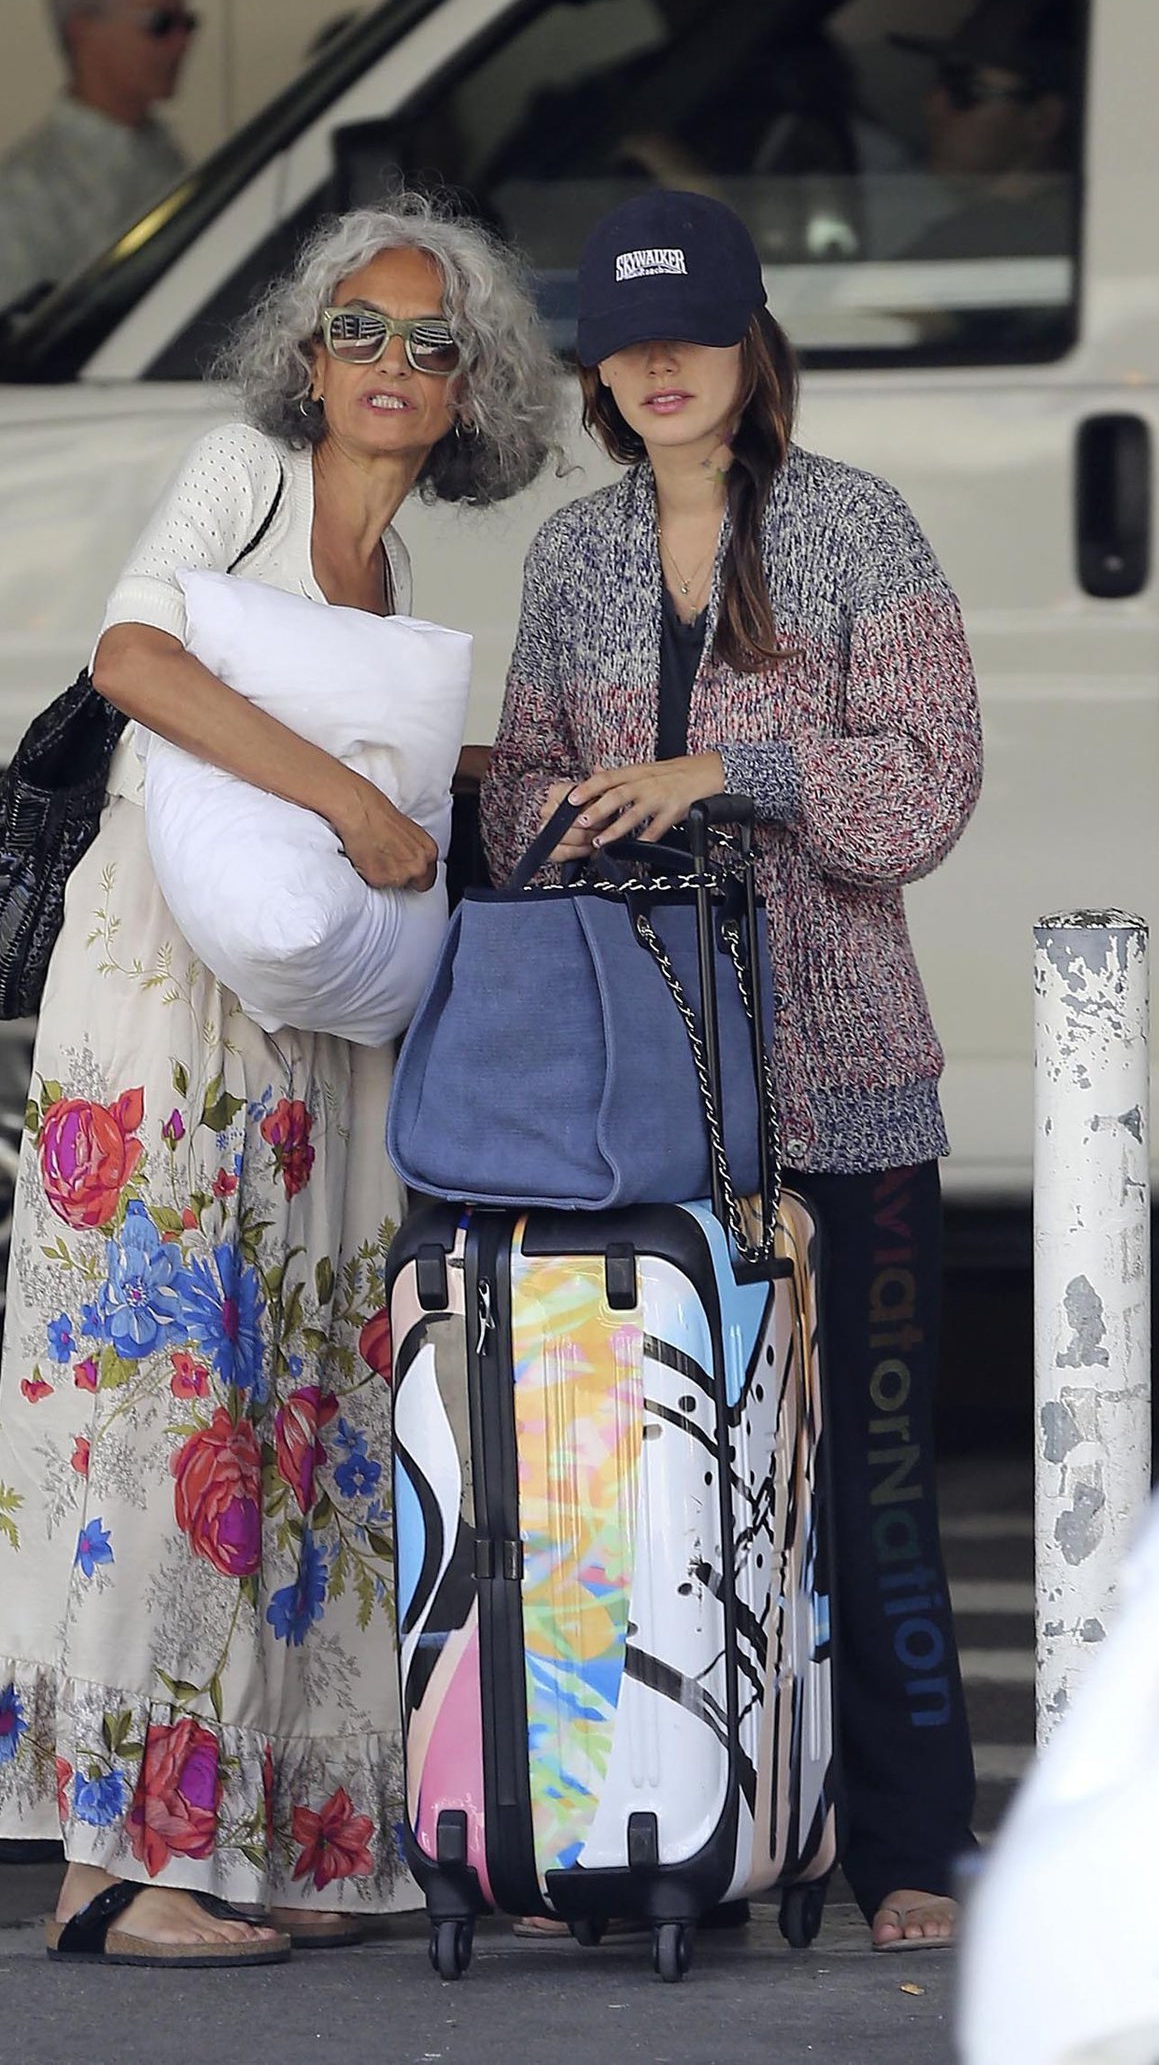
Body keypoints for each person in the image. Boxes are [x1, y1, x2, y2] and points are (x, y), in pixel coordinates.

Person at [0, 196, 562, 1966]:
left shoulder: (394, 573)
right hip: (165, 987)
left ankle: (275, 1833)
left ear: (468, 392)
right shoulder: (242, 476)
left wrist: (478, 776)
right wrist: (356, 800)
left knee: (297, 1404)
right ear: (306, 356)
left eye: (428, 343)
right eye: (356, 328)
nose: (388, 362)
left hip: (308, 1014)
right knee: (162, 1395)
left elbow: (353, 763)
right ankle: (110, 1860)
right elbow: (133, 661)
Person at [481, 189, 982, 1952]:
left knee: (870, 1480)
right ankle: (647, 1841)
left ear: (750, 343)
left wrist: (725, 771)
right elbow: (513, 793)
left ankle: (908, 1846)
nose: (658, 367)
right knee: (642, 1478)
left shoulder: (851, 525)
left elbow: (928, 784)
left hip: (847, 1093)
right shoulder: (571, 555)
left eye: (688, 333)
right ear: (597, 373)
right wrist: (579, 813)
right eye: (626, 344)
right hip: (635, 1105)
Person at [0, 0, 196, 315]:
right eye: (160, 24)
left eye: (188, 24)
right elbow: (17, 341)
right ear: (84, 30)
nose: (182, 42)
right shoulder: (20, 194)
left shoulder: (164, 155)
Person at [892, 0, 1077, 261]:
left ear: (1043, 119)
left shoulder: (983, 242)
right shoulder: (1083, 226)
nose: (932, 104)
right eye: (942, 79)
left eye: (966, 91)